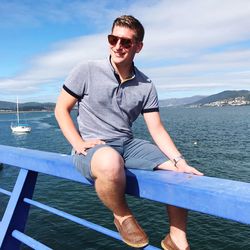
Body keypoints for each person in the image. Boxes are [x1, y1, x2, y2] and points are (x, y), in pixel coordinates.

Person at [55, 15, 203, 250]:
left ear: (138, 47)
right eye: (113, 39)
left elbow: (156, 127)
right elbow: (61, 109)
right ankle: (122, 216)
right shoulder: (87, 70)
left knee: (179, 173)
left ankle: (176, 237)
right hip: (94, 147)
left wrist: (180, 161)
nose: (117, 46)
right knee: (110, 162)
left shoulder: (146, 84)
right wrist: (78, 142)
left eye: (126, 42)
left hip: (128, 144)